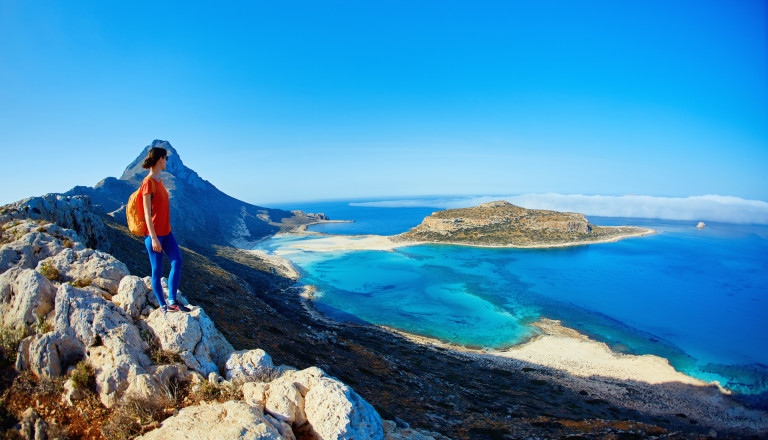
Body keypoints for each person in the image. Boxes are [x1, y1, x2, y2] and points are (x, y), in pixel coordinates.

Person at [140, 147, 190, 315]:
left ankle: (172, 300)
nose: (167, 162)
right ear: (160, 159)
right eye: (166, 159)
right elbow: (147, 212)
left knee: (177, 262)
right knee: (157, 271)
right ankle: (163, 305)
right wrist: (153, 238)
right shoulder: (148, 182)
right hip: (154, 235)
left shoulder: (160, 182)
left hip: (167, 232)